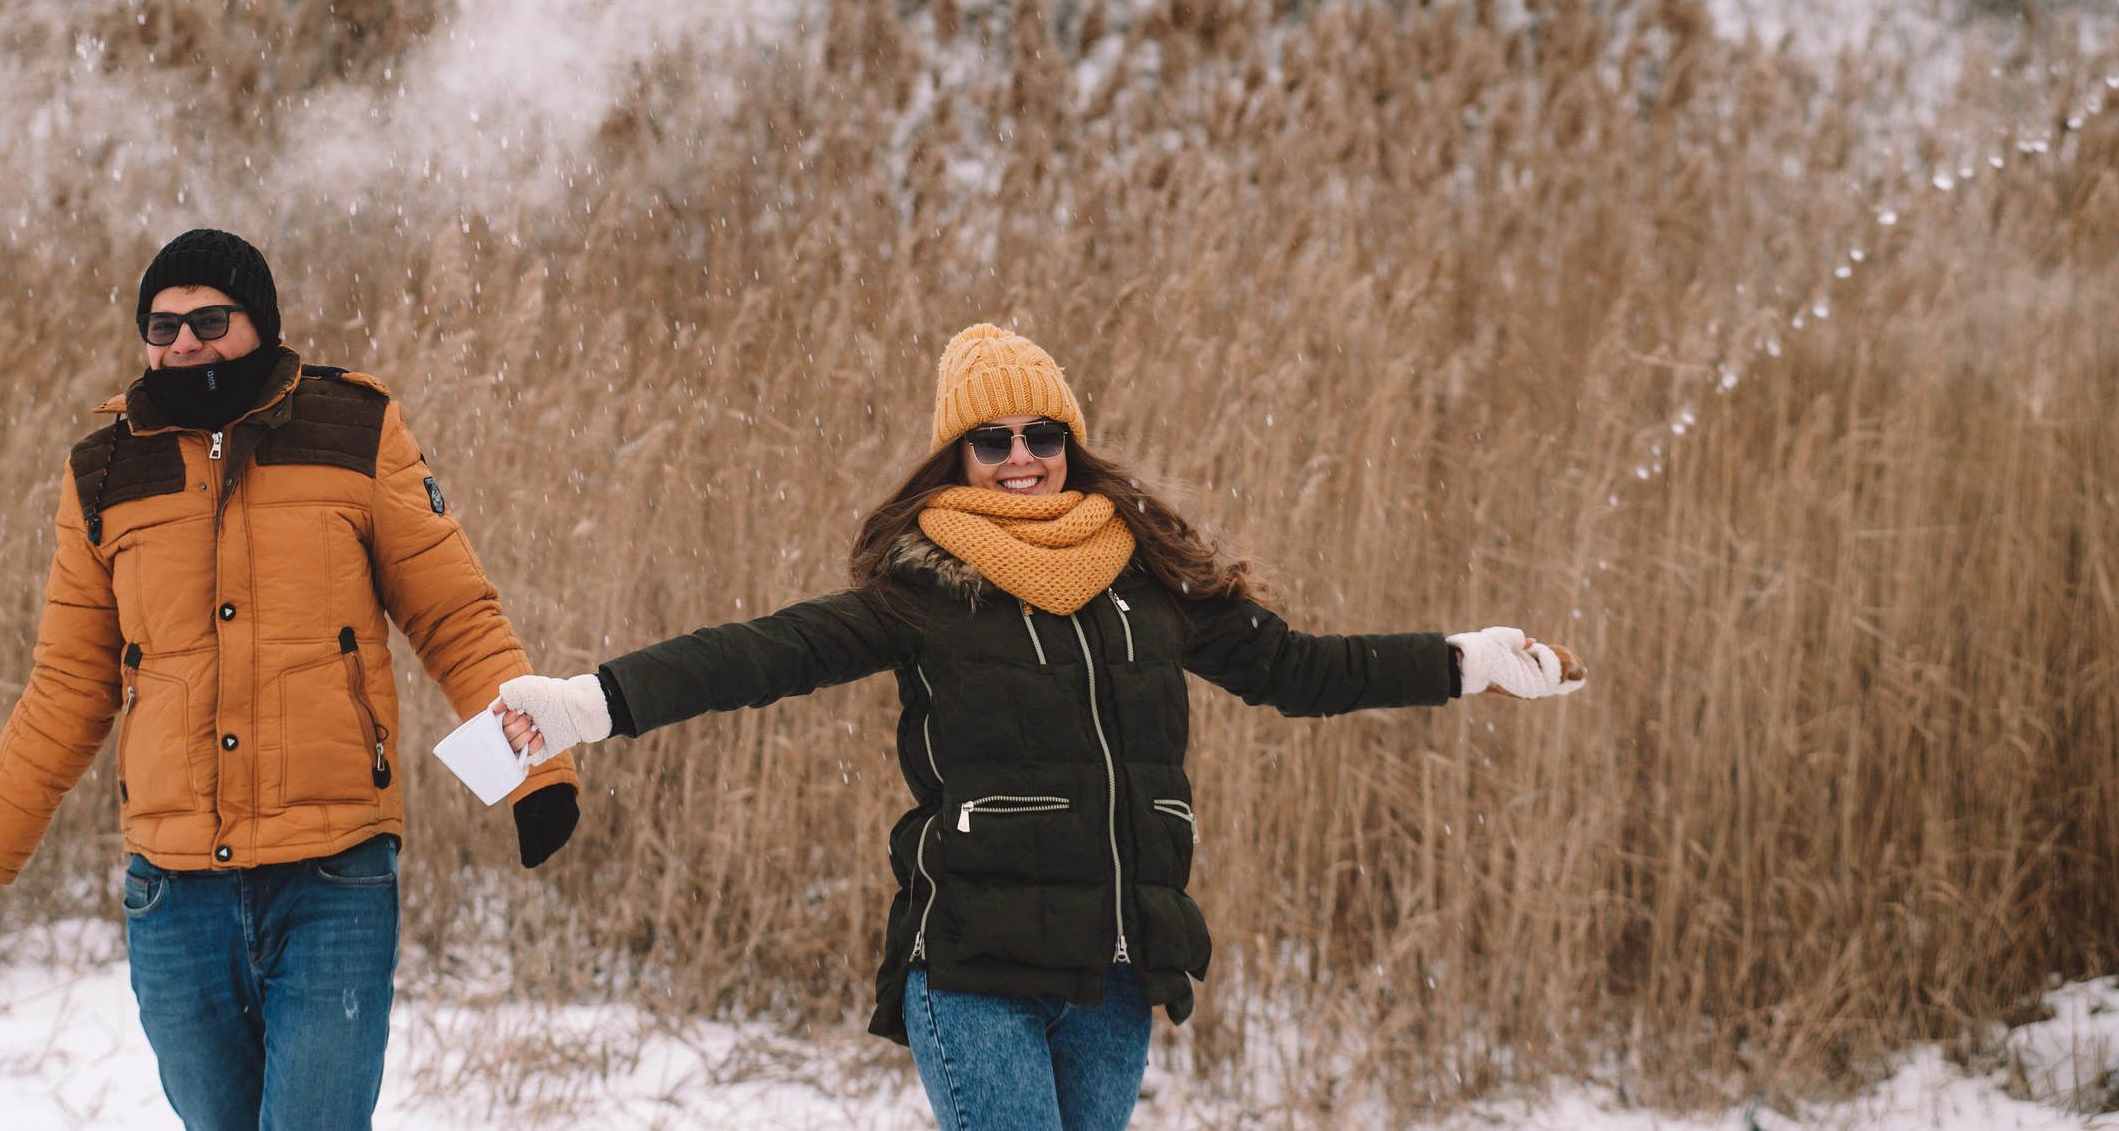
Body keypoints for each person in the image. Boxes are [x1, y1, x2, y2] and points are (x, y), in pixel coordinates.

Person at [496, 323, 1584, 1131]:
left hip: (1115, 972)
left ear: (1070, 439)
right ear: (955, 456)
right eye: (990, 439)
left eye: (1042, 433)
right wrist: (589, 703)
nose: (1020, 456)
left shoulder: (1145, 582)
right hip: (973, 968)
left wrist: (1468, 659)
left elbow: (1301, 670)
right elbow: (759, 652)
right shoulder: (927, 588)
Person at [0, 228, 580, 1131]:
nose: (182, 343)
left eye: (209, 319)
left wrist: (541, 767)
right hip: (174, 892)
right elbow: (67, 688)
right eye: (160, 324)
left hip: (334, 875)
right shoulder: (103, 471)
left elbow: (456, 616)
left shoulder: (355, 429)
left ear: (260, 323)